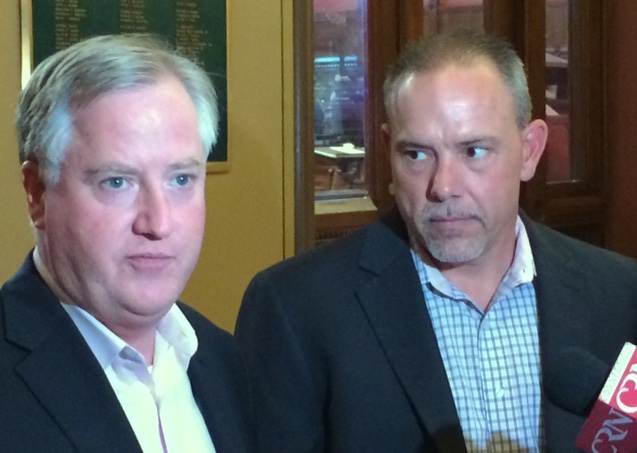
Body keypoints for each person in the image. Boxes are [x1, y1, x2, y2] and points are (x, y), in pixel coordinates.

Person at [235, 30, 637, 452]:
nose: (443, 187)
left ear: (530, 151)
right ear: (388, 151)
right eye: (416, 154)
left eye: (474, 151)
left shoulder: (620, 294)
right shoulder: (295, 308)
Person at [0, 34, 253, 452]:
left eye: (181, 179)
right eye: (117, 182)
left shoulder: (221, 359)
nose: (158, 222)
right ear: (37, 193)